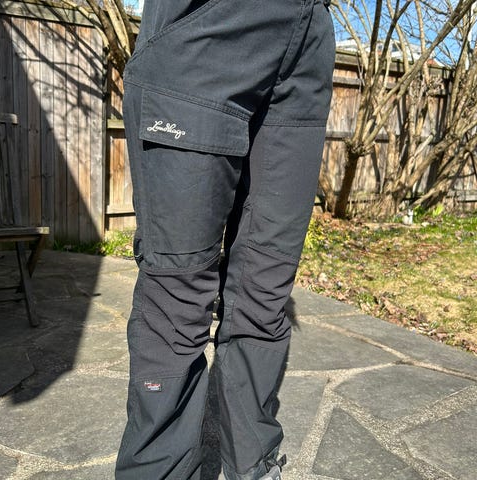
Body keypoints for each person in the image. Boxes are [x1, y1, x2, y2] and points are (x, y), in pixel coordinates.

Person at [115, 1, 335, 479]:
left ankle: (253, 465)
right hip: (208, 29)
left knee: (265, 291)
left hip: (309, 38)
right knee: (177, 294)